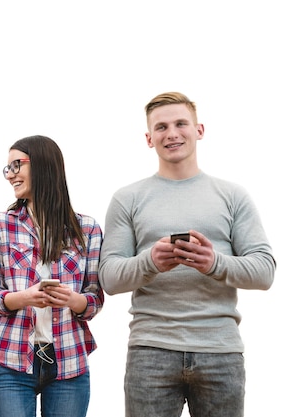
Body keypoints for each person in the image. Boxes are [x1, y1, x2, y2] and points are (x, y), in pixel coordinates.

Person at [99, 92, 276, 417]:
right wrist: (151, 261)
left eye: (181, 123)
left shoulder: (232, 196)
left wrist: (214, 263)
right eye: (162, 127)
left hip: (220, 351)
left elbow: (264, 271)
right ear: (149, 138)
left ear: (199, 130)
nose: (172, 133)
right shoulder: (128, 198)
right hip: (150, 350)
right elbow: (108, 277)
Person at [0, 135, 104, 417]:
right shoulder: (0, 225)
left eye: (16, 165)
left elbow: (95, 299)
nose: (10, 175)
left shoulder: (87, 229)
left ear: (43, 165)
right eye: (7, 168)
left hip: (69, 361)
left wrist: (74, 300)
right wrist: (22, 298)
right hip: (12, 361)